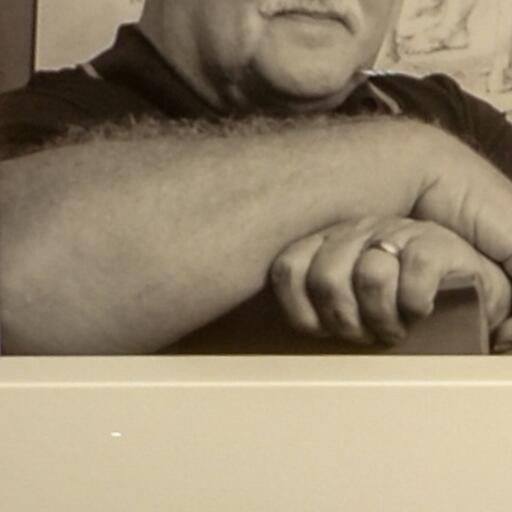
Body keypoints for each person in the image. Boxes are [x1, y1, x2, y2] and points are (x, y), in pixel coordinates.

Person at [2, 0, 512, 355]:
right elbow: (18, 283)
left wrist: (483, 296)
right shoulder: (34, 127)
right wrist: (407, 159)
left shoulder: (459, 121)